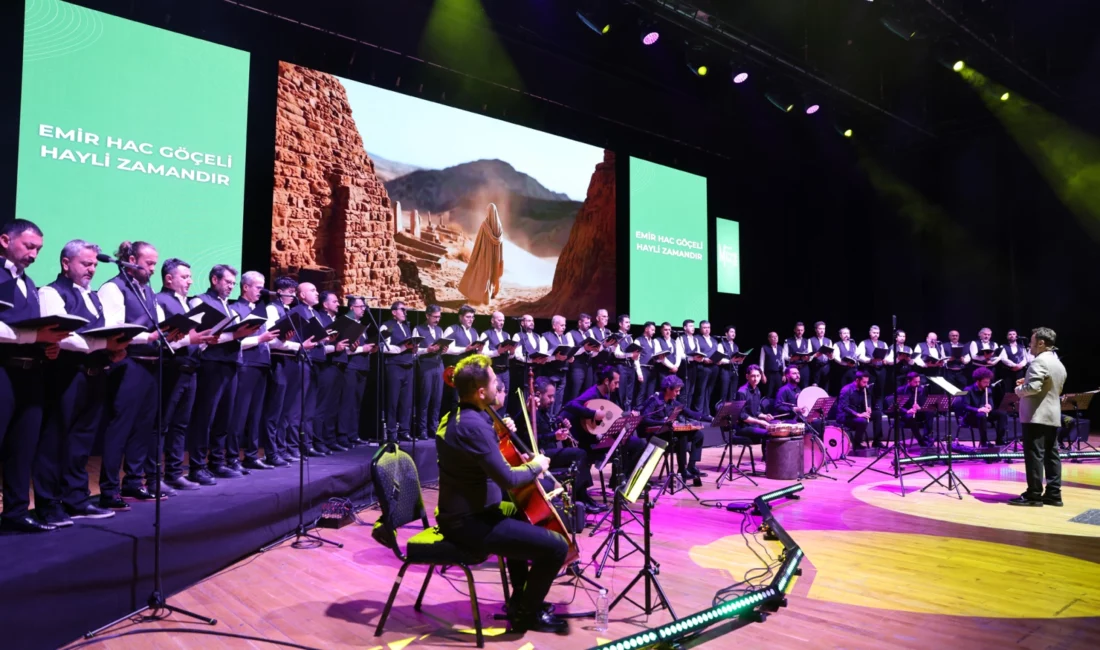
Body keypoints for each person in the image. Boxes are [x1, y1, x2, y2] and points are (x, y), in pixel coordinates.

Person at [434, 355, 569, 634]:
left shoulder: (464, 416)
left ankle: (520, 600)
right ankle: (526, 615)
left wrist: (498, 434)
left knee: (520, 517)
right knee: (557, 547)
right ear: (481, 392)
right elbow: (507, 477)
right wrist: (535, 465)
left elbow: (479, 459)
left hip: (471, 512)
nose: (499, 388)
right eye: (495, 383)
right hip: (468, 523)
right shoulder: (473, 425)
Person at [34, 240, 129, 527]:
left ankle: (75, 498)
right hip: (65, 374)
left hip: (95, 373)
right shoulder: (51, 292)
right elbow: (62, 335)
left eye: (94, 265)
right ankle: (47, 503)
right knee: (55, 439)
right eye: (86, 264)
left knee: (82, 440)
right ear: (66, 263)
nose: (92, 269)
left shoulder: (94, 296)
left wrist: (115, 348)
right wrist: (101, 343)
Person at [0, 219, 70, 532]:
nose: (34, 254)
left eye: (38, 249)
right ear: (4, 240)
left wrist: (49, 347)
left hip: (30, 375)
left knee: (23, 446)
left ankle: (15, 512)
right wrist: (35, 339)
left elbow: (34, 330)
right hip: (2, 372)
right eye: (29, 246)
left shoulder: (29, 283)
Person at [97, 241, 167, 506]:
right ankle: (109, 488)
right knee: (120, 427)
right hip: (127, 363)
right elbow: (112, 325)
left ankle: (134, 482)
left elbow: (158, 321)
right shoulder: (113, 287)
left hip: (150, 363)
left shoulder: (147, 289)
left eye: (154, 263)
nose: (152, 268)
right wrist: (145, 336)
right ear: (129, 259)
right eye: (148, 263)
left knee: (143, 427)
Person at [186, 264, 261, 481]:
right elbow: (202, 335)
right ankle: (197, 466)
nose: (230, 286)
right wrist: (235, 334)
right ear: (214, 280)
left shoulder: (229, 306)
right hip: (211, 364)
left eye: (232, 283)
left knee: (224, 418)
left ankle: (217, 462)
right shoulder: (199, 301)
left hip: (231, 364)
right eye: (227, 282)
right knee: (205, 417)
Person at [155, 259, 219, 486]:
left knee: (181, 424)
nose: (190, 281)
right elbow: (161, 340)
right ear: (169, 278)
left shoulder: (186, 303)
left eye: (190, 277)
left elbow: (191, 338)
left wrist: (202, 341)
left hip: (191, 368)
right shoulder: (159, 300)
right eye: (185, 277)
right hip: (171, 368)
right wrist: (189, 340)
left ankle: (174, 473)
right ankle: (155, 477)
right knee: (162, 425)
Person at [562, 365, 646, 488]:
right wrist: (593, 413)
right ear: (607, 381)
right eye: (615, 383)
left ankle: (622, 480)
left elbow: (610, 417)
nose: (617, 386)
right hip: (587, 441)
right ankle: (618, 482)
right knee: (622, 443)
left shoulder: (606, 395)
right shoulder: (592, 393)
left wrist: (627, 416)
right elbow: (570, 405)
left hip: (600, 437)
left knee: (638, 444)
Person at [1011, 327, 1066, 507]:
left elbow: (1033, 388)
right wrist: (1027, 382)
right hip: (1052, 414)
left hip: (1036, 416)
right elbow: (1052, 387)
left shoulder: (1039, 361)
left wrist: (1019, 390)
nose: (1029, 345)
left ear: (1041, 343)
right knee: (1052, 455)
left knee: (1035, 455)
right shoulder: (1057, 362)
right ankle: (1053, 493)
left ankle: (1033, 495)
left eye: (1032, 341)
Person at [532, 377, 605, 513]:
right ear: (538, 394)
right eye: (549, 396)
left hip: (550, 451)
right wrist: (554, 435)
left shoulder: (543, 411)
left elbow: (548, 429)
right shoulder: (532, 413)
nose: (552, 400)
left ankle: (583, 497)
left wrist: (559, 427)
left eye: (553, 396)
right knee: (580, 454)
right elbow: (535, 439)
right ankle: (580, 499)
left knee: (580, 454)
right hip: (540, 455)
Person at [231, 272, 280, 470]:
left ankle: (251, 456)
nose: (261, 291)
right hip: (246, 365)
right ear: (245, 287)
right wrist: (261, 339)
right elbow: (235, 342)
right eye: (258, 287)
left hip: (262, 364)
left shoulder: (259, 310)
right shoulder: (236, 309)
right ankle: (233, 457)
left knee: (255, 414)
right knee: (240, 414)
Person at [638, 375, 711, 485]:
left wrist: (710, 418)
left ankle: (691, 466)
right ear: (668, 389)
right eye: (676, 391)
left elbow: (691, 413)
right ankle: (682, 470)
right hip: (657, 435)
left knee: (698, 434)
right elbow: (644, 419)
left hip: (671, 434)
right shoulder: (654, 401)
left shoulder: (674, 403)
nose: (678, 394)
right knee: (682, 436)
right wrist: (662, 422)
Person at [338, 295, 376, 447]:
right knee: (347, 402)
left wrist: (370, 348)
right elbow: (345, 350)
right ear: (352, 307)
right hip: (350, 367)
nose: (364, 309)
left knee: (357, 403)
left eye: (365, 307)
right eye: (361, 307)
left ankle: (353, 434)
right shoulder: (346, 324)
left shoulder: (361, 325)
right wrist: (363, 348)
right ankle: (342, 436)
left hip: (362, 367)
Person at [380, 300, 416, 441]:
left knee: (406, 401)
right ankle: (391, 432)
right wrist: (402, 348)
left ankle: (404, 430)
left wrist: (413, 349)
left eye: (405, 310)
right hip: (394, 367)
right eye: (402, 309)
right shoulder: (388, 326)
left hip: (408, 366)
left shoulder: (406, 327)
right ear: (394, 312)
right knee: (393, 401)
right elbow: (383, 347)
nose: (405, 312)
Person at [457, 203, 504, 306]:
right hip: (494, 258)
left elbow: (478, 242)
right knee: (491, 277)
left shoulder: (484, 226)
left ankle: (480, 298)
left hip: (484, 257)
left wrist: (475, 255)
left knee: (482, 277)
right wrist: (499, 259)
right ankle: (487, 298)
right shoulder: (499, 228)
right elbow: (501, 245)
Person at [415, 304, 446, 441]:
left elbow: (442, 347)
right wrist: (426, 350)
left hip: (439, 365)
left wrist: (443, 350)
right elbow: (414, 351)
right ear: (427, 316)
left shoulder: (440, 330)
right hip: (426, 366)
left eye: (439, 317)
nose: (437, 319)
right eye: (435, 317)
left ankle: (433, 428)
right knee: (425, 398)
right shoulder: (418, 329)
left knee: (437, 399)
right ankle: (422, 429)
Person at [956, 367, 1009, 446]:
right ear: (978, 381)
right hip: (971, 416)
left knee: (1002, 414)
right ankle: (984, 442)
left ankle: (1000, 440)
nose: (987, 384)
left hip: (984, 415)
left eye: (988, 382)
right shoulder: (967, 390)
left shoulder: (988, 390)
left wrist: (990, 406)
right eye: (985, 382)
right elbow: (965, 406)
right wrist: (978, 409)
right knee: (982, 415)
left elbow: (991, 403)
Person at [735, 364, 774, 453]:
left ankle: (771, 458)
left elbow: (756, 411)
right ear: (747, 376)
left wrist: (764, 416)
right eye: (753, 376)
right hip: (743, 427)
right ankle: (766, 459)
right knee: (768, 433)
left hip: (753, 425)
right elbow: (742, 416)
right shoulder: (742, 392)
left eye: (757, 376)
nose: (755, 378)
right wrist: (760, 421)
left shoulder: (757, 391)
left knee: (774, 428)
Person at [838, 371, 881, 448]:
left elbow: (868, 398)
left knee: (877, 414)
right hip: (847, 417)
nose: (866, 384)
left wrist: (869, 407)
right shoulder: (846, 390)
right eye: (864, 382)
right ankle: (857, 444)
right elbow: (844, 407)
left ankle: (877, 441)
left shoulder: (864, 388)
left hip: (858, 414)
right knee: (862, 421)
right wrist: (858, 414)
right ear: (857, 380)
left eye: (867, 382)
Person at [540, 315, 572, 417]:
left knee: (559, 401)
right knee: (550, 400)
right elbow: (543, 356)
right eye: (562, 325)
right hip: (551, 373)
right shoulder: (545, 336)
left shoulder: (564, 338)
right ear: (554, 326)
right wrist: (555, 357)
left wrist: (570, 357)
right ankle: (548, 422)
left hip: (563, 373)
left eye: (565, 325)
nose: (564, 327)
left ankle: (555, 422)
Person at [565, 313, 599, 404]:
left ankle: (584, 415)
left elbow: (591, 354)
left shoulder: (589, 334)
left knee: (587, 392)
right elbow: (571, 352)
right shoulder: (570, 334)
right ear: (580, 322)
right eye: (586, 323)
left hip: (588, 366)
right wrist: (584, 349)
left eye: (589, 323)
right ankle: (570, 415)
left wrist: (596, 349)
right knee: (575, 392)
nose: (589, 325)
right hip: (577, 366)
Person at [894, 372, 931, 446]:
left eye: (919, 382)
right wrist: (907, 411)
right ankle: (920, 440)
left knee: (930, 412)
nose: (918, 384)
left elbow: (924, 404)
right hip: (905, 415)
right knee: (910, 416)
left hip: (918, 413)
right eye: (915, 382)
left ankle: (926, 436)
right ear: (909, 381)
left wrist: (920, 408)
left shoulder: (921, 390)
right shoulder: (901, 390)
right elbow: (897, 406)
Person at [482, 310, 513, 395]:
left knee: (505, 396)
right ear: (492, 320)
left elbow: (510, 356)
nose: (502, 322)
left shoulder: (507, 335)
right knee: (494, 396)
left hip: (505, 371)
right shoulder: (486, 334)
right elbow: (482, 354)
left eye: (503, 320)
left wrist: (512, 352)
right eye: (499, 320)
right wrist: (497, 352)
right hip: (493, 370)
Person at [692, 320, 719, 415]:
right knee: (701, 390)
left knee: (709, 390)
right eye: (704, 328)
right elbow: (696, 353)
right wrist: (704, 359)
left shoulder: (714, 340)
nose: (707, 330)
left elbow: (717, 353)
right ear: (700, 329)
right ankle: (698, 412)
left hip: (714, 367)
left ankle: (706, 412)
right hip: (703, 367)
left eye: (708, 327)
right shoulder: (697, 338)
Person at [714, 325, 741, 405]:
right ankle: (721, 413)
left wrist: (740, 360)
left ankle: (731, 413)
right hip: (725, 371)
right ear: (726, 334)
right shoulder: (721, 344)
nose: (733, 334)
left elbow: (736, 358)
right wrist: (729, 361)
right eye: (731, 332)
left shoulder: (736, 346)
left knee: (733, 394)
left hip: (734, 371)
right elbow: (718, 360)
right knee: (724, 392)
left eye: (734, 332)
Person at [782, 322, 812, 388]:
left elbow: (810, 356)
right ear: (794, 330)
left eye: (801, 330)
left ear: (804, 331)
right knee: (792, 387)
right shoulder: (788, 341)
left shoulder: (807, 341)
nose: (800, 332)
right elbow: (784, 356)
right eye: (798, 330)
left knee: (804, 387)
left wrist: (808, 358)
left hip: (804, 367)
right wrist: (791, 358)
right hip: (792, 368)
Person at [807, 321, 832, 390]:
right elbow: (809, 356)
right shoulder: (810, 340)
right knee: (815, 386)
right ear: (816, 330)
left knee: (826, 386)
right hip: (816, 366)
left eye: (823, 329)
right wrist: (815, 355)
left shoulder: (828, 340)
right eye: (820, 329)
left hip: (826, 366)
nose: (822, 331)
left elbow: (831, 356)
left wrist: (831, 356)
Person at [759, 332, 784, 399]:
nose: (775, 338)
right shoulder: (764, 348)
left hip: (778, 374)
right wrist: (762, 375)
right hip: (769, 374)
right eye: (773, 337)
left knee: (779, 392)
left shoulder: (780, 348)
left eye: (776, 336)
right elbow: (761, 362)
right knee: (769, 392)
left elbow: (783, 362)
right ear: (769, 338)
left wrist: (784, 374)